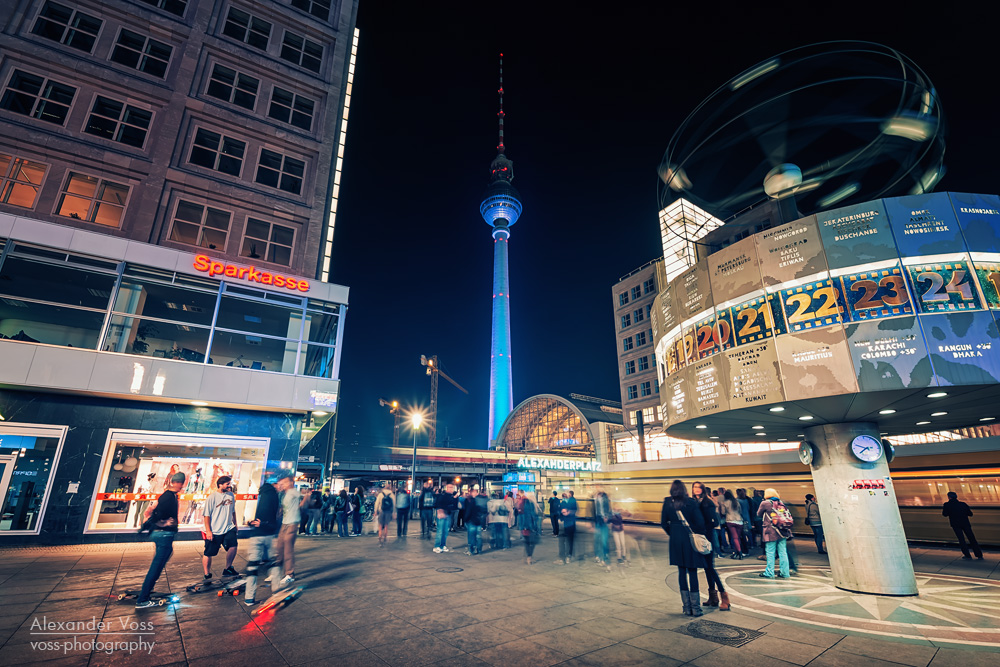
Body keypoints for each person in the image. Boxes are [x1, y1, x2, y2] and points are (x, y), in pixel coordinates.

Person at [135, 471, 184, 609]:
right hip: (163, 534)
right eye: (181, 482)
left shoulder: (170, 496)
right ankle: (143, 599)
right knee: (156, 567)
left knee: (161, 561)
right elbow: (154, 512)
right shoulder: (168, 497)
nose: (181, 485)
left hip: (164, 535)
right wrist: (162, 523)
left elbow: (152, 510)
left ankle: (146, 593)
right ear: (177, 483)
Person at [661, 479, 706, 617]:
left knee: (681, 571)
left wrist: (673, 532)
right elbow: (700, 523)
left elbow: (663, 523)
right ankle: (696, 608)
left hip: (675, 540)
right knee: (692, 571)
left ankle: (686, 607)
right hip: (689, 539)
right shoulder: (691, 502)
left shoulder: (668, 501)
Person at [244, 480, 281, 607]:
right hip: (268, 534)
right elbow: (273, 518)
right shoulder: (273, 495)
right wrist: (264, 524)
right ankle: (277, 591)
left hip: (256, 535)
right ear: (273, 485)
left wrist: (253, 522)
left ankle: (249, 598)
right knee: (274, 563)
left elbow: (256, 515)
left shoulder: (260, 495)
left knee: (252, 566)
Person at [692, 481, 729, 610]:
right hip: (699, 537)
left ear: (702, 489)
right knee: (707, 569)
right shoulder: (694, 502)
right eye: (694, 487)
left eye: (698, 487)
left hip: (707, 537)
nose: (696, 489)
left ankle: (724, 596)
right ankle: (713, 597)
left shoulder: (707, 502)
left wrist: (702, 528)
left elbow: (714, 521)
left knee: (710, 568)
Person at [202, 475, 240, 580]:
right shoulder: (212, 497)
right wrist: (208, 531)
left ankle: (228, 568)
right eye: (227, 484)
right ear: (220, 485)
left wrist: (235, 524)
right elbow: (206, 515)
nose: (229, 485)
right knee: (209, 553)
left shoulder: (231, 495)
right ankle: (207, 573)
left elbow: (233, 511)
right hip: (215, 530)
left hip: (228, 527)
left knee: (233, 546)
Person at [759, 487, 791, 579]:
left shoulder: (765, 503)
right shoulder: (781, 503)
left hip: (770, 531)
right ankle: (785, 573)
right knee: (783, 552)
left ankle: (769, 573)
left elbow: (758, 514)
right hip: (782, 530)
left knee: (770, 552)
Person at [274, 470, 299, 585]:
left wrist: (302, 506)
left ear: (289, 483)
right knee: (279, 547)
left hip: (292, 523)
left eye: (284, 483)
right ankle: (276, 572)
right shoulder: (285, 494)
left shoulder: (294, 492)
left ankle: (290, 574)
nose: (281, 485)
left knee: (288, 549)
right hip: (285, 523)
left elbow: (304, 497)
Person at [942, 491, 984, 560]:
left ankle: (967, 555)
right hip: (965, 523)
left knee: (961, 540)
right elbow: (970, 514)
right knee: (972, 539)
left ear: (949, 497)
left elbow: (944, 514)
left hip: (955, 524)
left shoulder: (947, 505)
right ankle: (979, 554)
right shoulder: (963, 504)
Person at [433, 482, 458, 553]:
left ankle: (442, 545)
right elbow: (437, 504)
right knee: (440, 531)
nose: (451, 489)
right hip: (442, 515)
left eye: (452, 487)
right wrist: (439, 512)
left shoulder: (451, 496)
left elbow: (453, 506)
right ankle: (437, 546)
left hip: (448, 515)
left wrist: (455, 498)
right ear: (446, 488)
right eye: (450, 487)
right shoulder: (443, 495)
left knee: (445, 531)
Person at [519, 489, 542, 564]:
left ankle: (527, 557)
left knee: (527, 542)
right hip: (530, 526)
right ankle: (529, 557)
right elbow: (532, 516)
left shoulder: (525, 502)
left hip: (525, 526)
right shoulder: (531, 504)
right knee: (531, 543)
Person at [463, 486, 488, 555]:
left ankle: (472, 550)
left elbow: (468, 511)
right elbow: (485, 510)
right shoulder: (482, 500)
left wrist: (465, 519)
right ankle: (479, 549)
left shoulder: (471, 500)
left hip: (472, 520)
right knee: (478, 536)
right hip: (479, 520)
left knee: (472, 536)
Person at [722, 490, 744, 560]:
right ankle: (737, 552)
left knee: (735, 538)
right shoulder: (736, 502)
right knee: (738, 538)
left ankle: (739, 553)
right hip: (739, 520)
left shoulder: (725, 503)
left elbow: (723, 512)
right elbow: (740, 511)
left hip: (730, 520)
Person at [556, 491, 577, 564]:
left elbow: (561, 512)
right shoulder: (572, 501)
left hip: (566, 524)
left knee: (563, 541)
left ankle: (563, 558)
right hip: (571, 523)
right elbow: (574, 511)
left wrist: (565, 513)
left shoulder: (565, 503)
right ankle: (569, 556)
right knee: (569, 540)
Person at [592, 488, 612, 566]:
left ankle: (605, 557)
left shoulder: (605, 498)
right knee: (597, 539)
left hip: (603, 521)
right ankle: (598, 556)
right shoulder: (595, 498)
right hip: (597, 521)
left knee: (604, 540)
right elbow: (593, 510)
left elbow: (608, 509)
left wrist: (606, 517)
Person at [737, 488, 752, 554]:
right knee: (748, 533)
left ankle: (743, 549)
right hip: (747, 518)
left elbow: (738, 511)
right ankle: (750, 544)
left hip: (741, 519)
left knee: (741, 535)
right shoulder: (746, 501)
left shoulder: (738, 501)